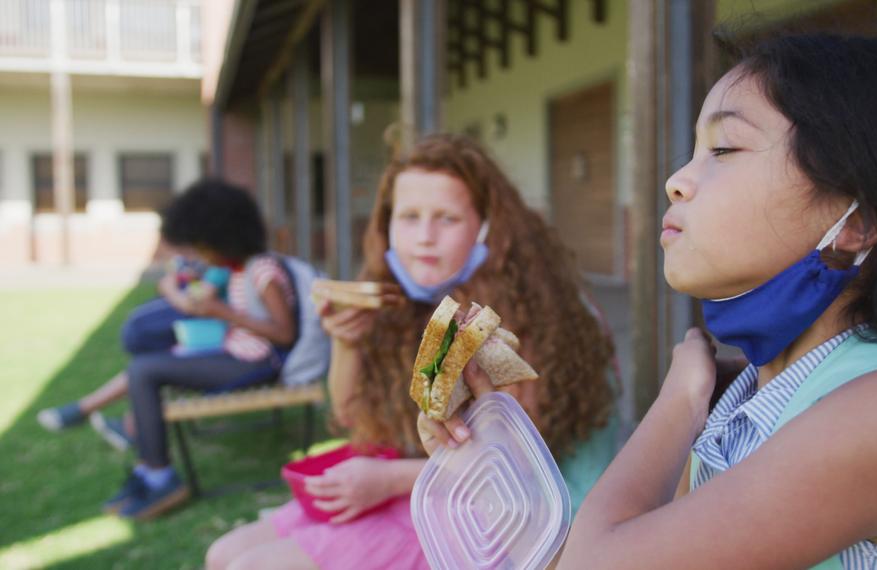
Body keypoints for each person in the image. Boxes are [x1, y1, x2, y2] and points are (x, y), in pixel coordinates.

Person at [428, 34, 877, 568]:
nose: (676, 181)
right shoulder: (751, 400)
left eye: (724, 148)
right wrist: (487, 452)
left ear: (855, 222)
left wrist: (677, 403)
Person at [205, 133, 619, 570]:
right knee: (223, 553)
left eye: (446, 218)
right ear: (386, 225)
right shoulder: (406, 303)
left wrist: (387, 481)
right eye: (409, 217)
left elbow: (512, 460)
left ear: (487, 226)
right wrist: (346, 341)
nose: (424, 237)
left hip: (505, 514)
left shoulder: (520, 312)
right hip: (428, 485)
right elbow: (351, 416)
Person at [106, 179, 297, 520]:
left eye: (201, 246)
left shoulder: (263, 270)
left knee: (144, 371)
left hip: (255, 362)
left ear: (224, 236)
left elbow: (284, 333)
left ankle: (160, 476)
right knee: (146, 362)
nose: (199, 255)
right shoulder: (237, 268)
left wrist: (221, 312)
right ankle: (149, 470)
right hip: (233, 353)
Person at [36, 250, 230, 451]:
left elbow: (195, 302)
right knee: (149, 363)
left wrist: (170, 287)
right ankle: (118, 422)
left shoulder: (222, 267)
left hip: (221, 342)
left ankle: (103, 417)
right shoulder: (222, 265)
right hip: (217, 338)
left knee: (149, 365)